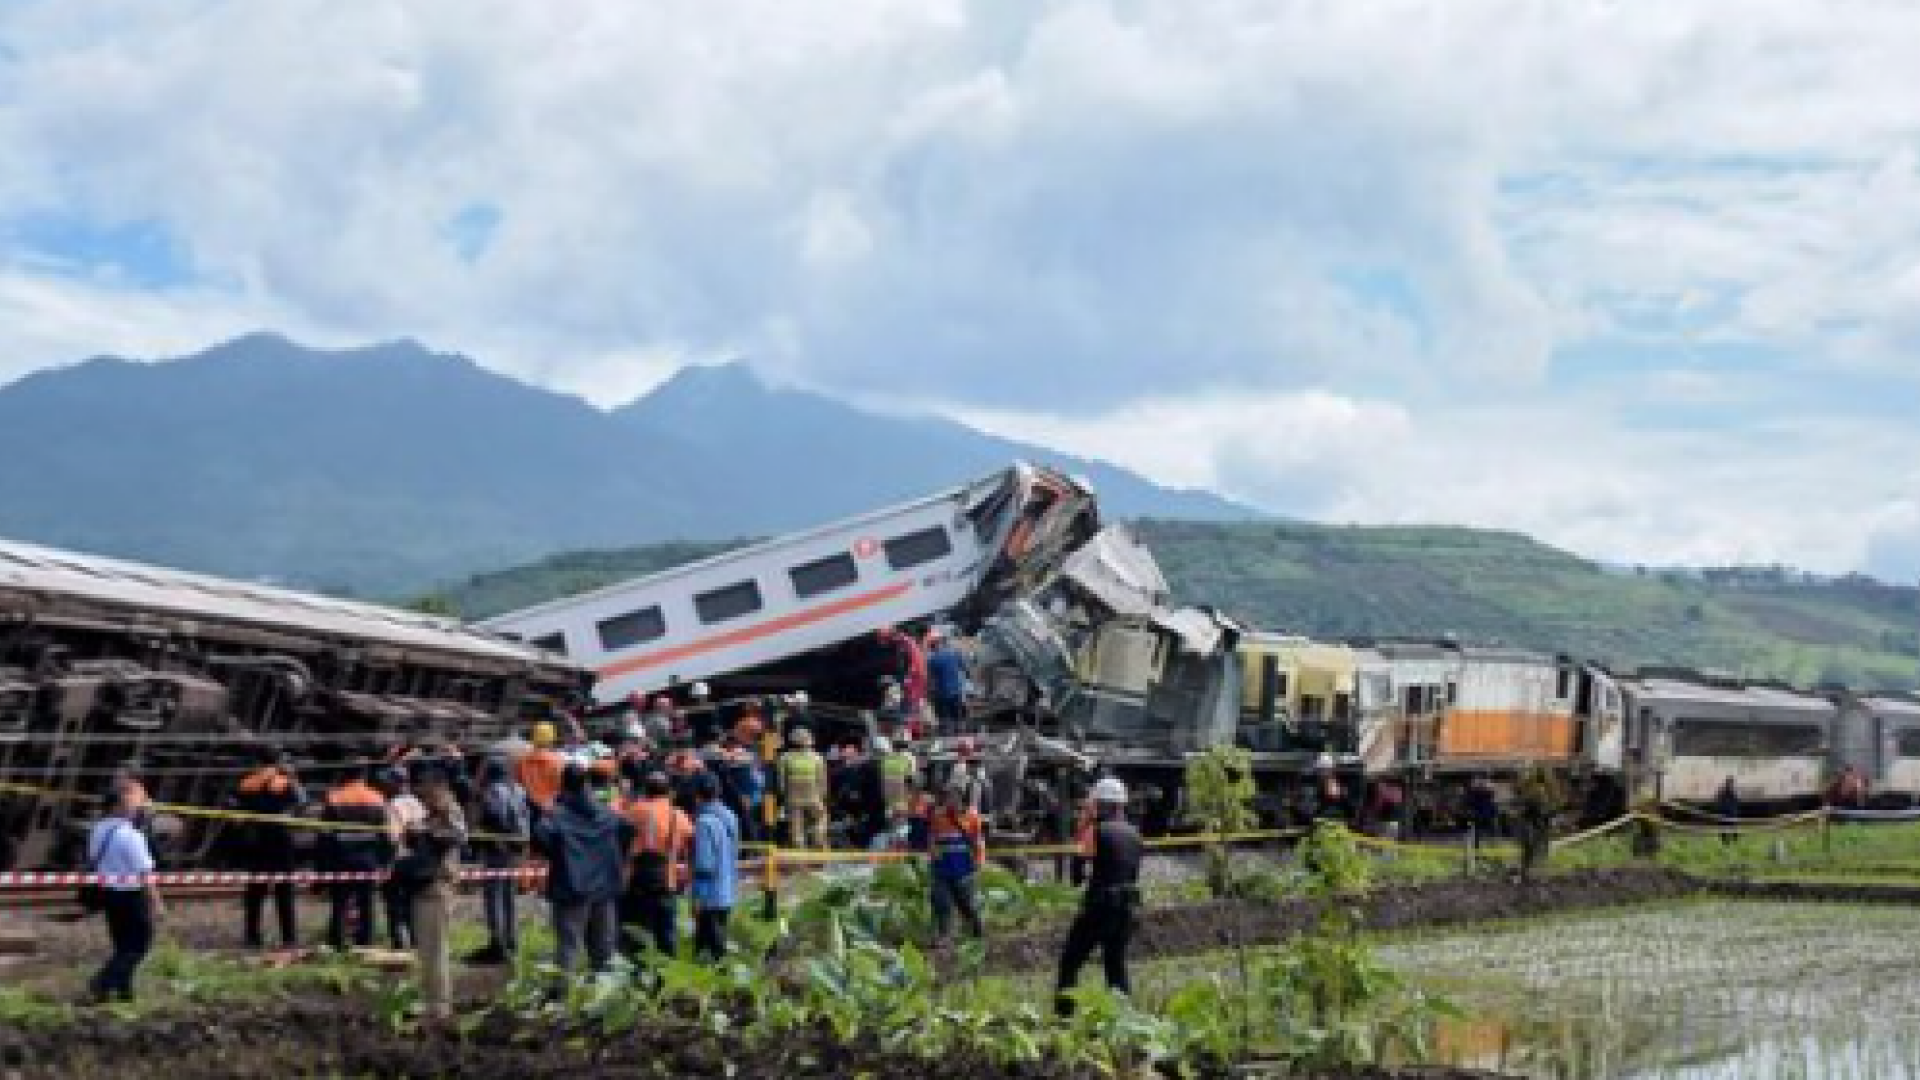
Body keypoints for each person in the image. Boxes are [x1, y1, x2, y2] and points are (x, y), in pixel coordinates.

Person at [534, 764, 633, 976]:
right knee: (604, 949)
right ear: (587, 784)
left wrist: (545, 814)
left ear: (563, 787)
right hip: (605, 889)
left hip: (571, 889)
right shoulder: (608, 814)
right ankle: (605, 1000)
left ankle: (562, 1000)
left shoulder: (557, 817)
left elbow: (542, 841)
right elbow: (628, 829)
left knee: (568, 947)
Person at [1054, 777, 1142, 1017]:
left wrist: (1082, 829)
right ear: (1121, 805)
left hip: (1099, 907)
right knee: (1115, 966)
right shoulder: (1135, 834)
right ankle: (1124, 1021)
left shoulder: (1095, 831)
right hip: (1127, 908)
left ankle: (1064, 1017)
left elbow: (1077, 873)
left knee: (1070, 962)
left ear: (1099, 805)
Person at [87, 783, 165, 1003]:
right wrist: (156, 902)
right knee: (140, 945)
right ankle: (102, 981)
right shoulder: (131, 835)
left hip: (108, 893)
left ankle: (122, 991)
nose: (136, 808)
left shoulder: (98, 829)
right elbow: (145, 872)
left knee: (122, 944)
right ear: (117, 807)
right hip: (131, 895)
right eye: (131, 804)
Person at [406, 768, 467, 1022]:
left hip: (438, 885)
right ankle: (431, 1000)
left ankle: (439, 1005)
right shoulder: (433, 814)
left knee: (435, 948)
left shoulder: (449, 811)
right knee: (427, 949)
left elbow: (458, 836)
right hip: (426, 886)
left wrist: (426, 833)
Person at [231, 747, 306, 951]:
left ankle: (252, 938)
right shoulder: (284, 782)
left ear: (257, 761)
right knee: (284, 892)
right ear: (276, 761)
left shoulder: (246, 783)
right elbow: (301, 804)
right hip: (281, 842)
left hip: (255, 842)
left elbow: (236, 813)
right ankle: (289, 939)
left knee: (255, 892)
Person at [319, 762, 388, 951]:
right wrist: (384, 860)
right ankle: (366, 942)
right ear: (363, 775)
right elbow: (384, 833)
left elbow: (324, 834)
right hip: (368, 857)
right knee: (366, 902)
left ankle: (338, 941)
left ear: (344, 775)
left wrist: (323, 863)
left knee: (339, 902)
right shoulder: (376, 796)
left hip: (340, 857)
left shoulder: (334, 797)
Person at [622, 770, 692, 958]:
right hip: (666, 883)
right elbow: (690, 846)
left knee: (636, 935)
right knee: (666, 937)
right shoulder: (678, 816)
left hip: (637, 882)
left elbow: (621, 842)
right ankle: (664, 980)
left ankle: (636, 978)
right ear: (669, 792)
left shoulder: (634, 811)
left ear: (645, 791)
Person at [469, 755, 529, 964]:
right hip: (516, 846)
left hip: (497, 847)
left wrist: (486, 832)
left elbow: (496, 816)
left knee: (494, 896)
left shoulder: (494, 791)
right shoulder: (518, 789)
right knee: (509, 895)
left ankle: (498, 944)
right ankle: (511, 940)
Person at [925, 780, 987, 944]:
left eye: (954, 796)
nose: (950, 799)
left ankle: (976, 931)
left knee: (966, 904)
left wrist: (979, 862)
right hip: (942, 867)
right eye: (948, 796)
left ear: (961, 797)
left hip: (964, 868)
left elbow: (978, 841)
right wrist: (932, 856)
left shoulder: (972, 816)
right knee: (941, 901)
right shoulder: (938, 816)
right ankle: (944, 935)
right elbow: (932, 838)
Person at [689, 772, 739, 962]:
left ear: (697, 796)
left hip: (710, 894)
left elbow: (704, 865)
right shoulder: (730, 816)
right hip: (727, 889)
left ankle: (720, 983)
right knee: (717, 940)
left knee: (710, 948)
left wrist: (698, 899)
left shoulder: (703, 822)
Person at [379, 767, 425, 950]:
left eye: (388, 781)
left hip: (399, 859)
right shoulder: (418, 803)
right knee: (412, 904)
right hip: (419, 859)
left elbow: (392, 837)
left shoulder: (393, 805)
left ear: (396, 783)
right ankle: (415, 943)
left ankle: (398, 945)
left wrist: (387, 864)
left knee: (394, 905)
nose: (384, 785)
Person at [779, 727, 830, 849]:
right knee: (821, 818)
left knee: (797, 830)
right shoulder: (817, 757)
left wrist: (784, 797)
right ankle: (817, 834)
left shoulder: (785, 757)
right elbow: (822, 780)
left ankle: (800, 860)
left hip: (793, 798)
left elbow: (781, 782)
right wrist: (823, 796)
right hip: (813, 796)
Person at [514, 721, 567, 819]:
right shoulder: (558, 761)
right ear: (552, 739)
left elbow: (518, 783)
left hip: (528, 806)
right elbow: (562, 787)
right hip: (550, 808)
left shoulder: (523, 760)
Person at [927, 631, 968, 731]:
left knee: (946, 713)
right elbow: (964, 668)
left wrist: (930, 691)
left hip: (942, 691)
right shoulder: (954, 653)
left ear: (933, 645)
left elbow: (931, 678)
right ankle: (960, 729)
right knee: (958, 711)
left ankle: (949, 730)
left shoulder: (932, 660)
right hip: (956, 689)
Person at [1715, 775, 1741, 846]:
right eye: (1730, 783)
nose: (1731, 785)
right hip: (1724, 814)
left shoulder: (1733, 792)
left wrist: (1734, 812)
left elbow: (1736, 802)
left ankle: (1734, 841)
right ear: (1727, 783)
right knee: (1724, 830)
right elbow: (1719, 802)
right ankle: (1725, 842)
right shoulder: (1722, 792)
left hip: (1731, 814)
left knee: (1734, 830)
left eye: (1732, 783)